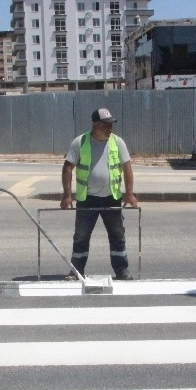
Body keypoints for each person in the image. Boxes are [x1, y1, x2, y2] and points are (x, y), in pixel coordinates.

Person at [61, 108, 137, 280]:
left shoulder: (117, 142)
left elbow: (127, 167)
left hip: (112, 198)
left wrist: (129, 193)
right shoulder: (80, 142)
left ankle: (122, 270)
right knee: (81, 237)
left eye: (111, 125)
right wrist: (67, 195)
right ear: (95, 125)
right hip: (87, 199)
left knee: (117, 235)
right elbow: (67, 167)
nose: (110, 128)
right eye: (106, 125)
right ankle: (77, 271)